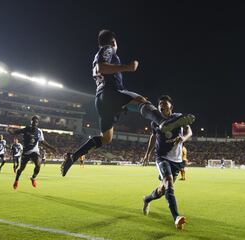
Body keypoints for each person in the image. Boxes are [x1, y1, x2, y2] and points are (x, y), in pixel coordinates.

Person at [61, 30, 195, 176]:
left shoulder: (97, 55)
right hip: (111, 91)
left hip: (101, 99)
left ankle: (73, 156)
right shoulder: (108, 49)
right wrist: (127, 67)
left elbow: (98, 69)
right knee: (142, 101)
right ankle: (163, 122)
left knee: (106, 138)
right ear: (113, 42)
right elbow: (101, 68)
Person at [142, 95, 193, 230]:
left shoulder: (179, 117)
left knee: (162, 190)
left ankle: (147, 199)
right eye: (160, 104)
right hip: (162, 157)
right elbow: (153, 137)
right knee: (169, 183)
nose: (162, 106)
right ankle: (176, 217)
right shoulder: (155, 121)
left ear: (171, 106)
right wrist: (147, 154)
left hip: (177, 160)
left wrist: (183, 138)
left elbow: (189, 131)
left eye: (165, 103)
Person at [8, 115, 57, 189]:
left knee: (38, 164)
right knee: (21, 168)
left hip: (34, 151)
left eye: (36, 122)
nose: (35, 123)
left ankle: (33, 178)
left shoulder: (39, 131)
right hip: (26, 152)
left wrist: (51, 148)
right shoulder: (26, 129)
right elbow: (16, 132)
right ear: (31, 122)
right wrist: (10, 131)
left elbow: (42, 141)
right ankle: (16, 180)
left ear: (38, 123)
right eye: (33, 122)